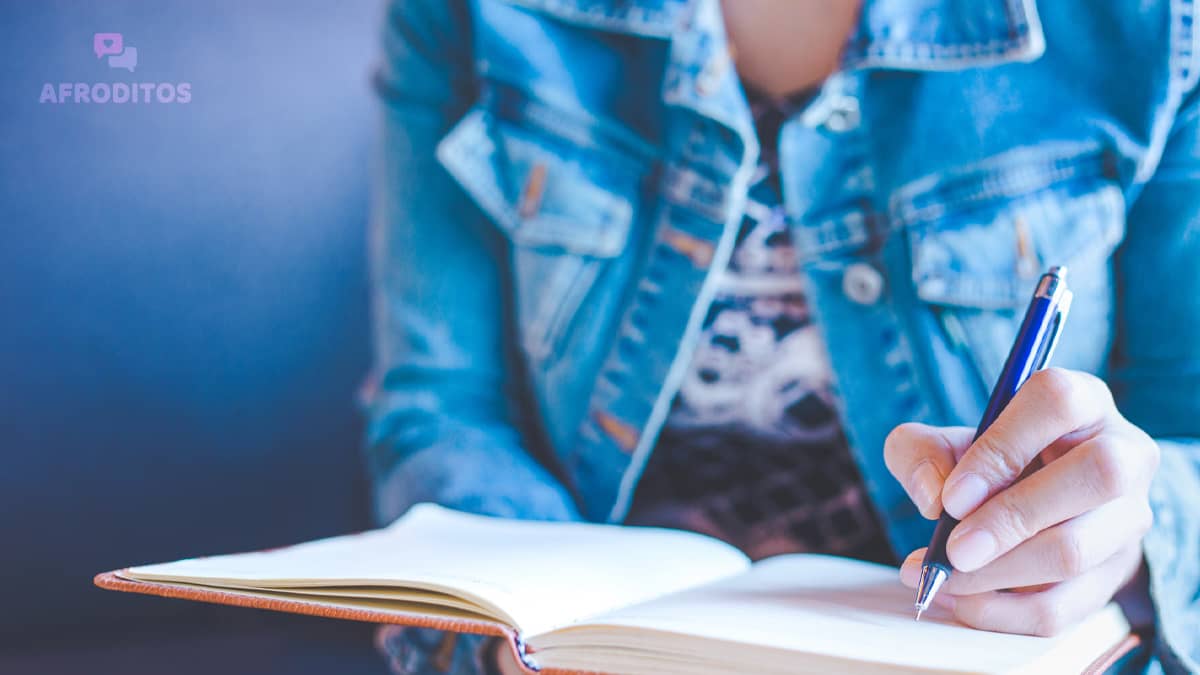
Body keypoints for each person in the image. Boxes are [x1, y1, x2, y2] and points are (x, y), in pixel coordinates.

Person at [363, 0, 1200, 673]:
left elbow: (1184, 435)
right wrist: (522, 623)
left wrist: (1123, 532)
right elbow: (441, 405)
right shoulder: (473, 15)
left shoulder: (1153, 26)